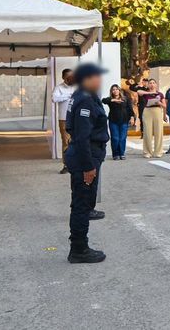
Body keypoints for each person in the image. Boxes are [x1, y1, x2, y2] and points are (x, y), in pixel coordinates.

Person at [64, 63, 109, 263]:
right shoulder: (85, 100)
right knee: (81, 205)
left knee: (81, 203)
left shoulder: (82, 95)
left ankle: (79, 246)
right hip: (86, 155)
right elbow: (82, 137)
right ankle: (79, 249)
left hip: (87, 153)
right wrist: (88, 166)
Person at [102, 84, 135, 160]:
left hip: (124, 121)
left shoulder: (126, 99)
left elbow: (130, 109)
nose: (115, 91)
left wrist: (132, 117)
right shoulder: (110, 99)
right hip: (113, 121)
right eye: (113, 89)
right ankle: (115, 154)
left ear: (119, 90)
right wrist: (113, 100)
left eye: (116, 89)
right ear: (111, 91)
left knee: (122, 138)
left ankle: (122, 153)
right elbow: (103, 100)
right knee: (115, 138)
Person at [52, 68, 76, 174]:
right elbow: (54, 99)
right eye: (68, 77)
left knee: (76, 141)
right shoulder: (58, 88)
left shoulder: (76, 87)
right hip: (64, 119)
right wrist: (68, 96)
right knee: (66, 142)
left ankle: (76, 164)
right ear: (63, 77)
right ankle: (66, 165)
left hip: (76, 118)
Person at [135, 79, 166, 158]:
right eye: (150, 83)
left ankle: (158, 152)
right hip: (147, 111)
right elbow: (139, 92)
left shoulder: (160, 94)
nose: (152, 84)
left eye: (153, 83)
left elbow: (165, 106)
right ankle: (147, 152)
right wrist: (150, 93)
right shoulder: (146, 93)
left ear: (156, 84)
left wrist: (159, 103)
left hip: (157, 111)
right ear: (148, 85)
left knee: (158, 131)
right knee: (147, 132)